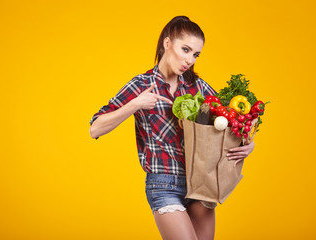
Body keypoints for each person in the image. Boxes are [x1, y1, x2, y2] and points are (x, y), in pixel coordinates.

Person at [89, 16, 255, 240]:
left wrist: (248, 144)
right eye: (185, 49)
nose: (189, 59)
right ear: (167, 43)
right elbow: (95, 128)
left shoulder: (198, 87)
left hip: (200, 183)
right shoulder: (141, 85)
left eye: (195, 54)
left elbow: (230, 122)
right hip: (163, 184)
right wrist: (136, 104)